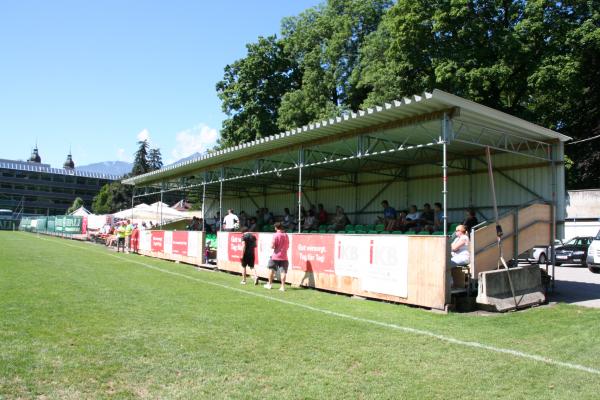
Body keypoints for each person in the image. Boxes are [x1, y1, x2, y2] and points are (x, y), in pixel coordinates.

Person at [265, 222, 289, 291]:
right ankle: (283, 287)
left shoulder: (275, 235)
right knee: (283, 272)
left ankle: (269, 284)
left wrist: (272, 246)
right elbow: (287, 246)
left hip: (276, 256)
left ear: (276, 228)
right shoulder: (286, 235)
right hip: (284, 256)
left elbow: (272, 246)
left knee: (271, 269)